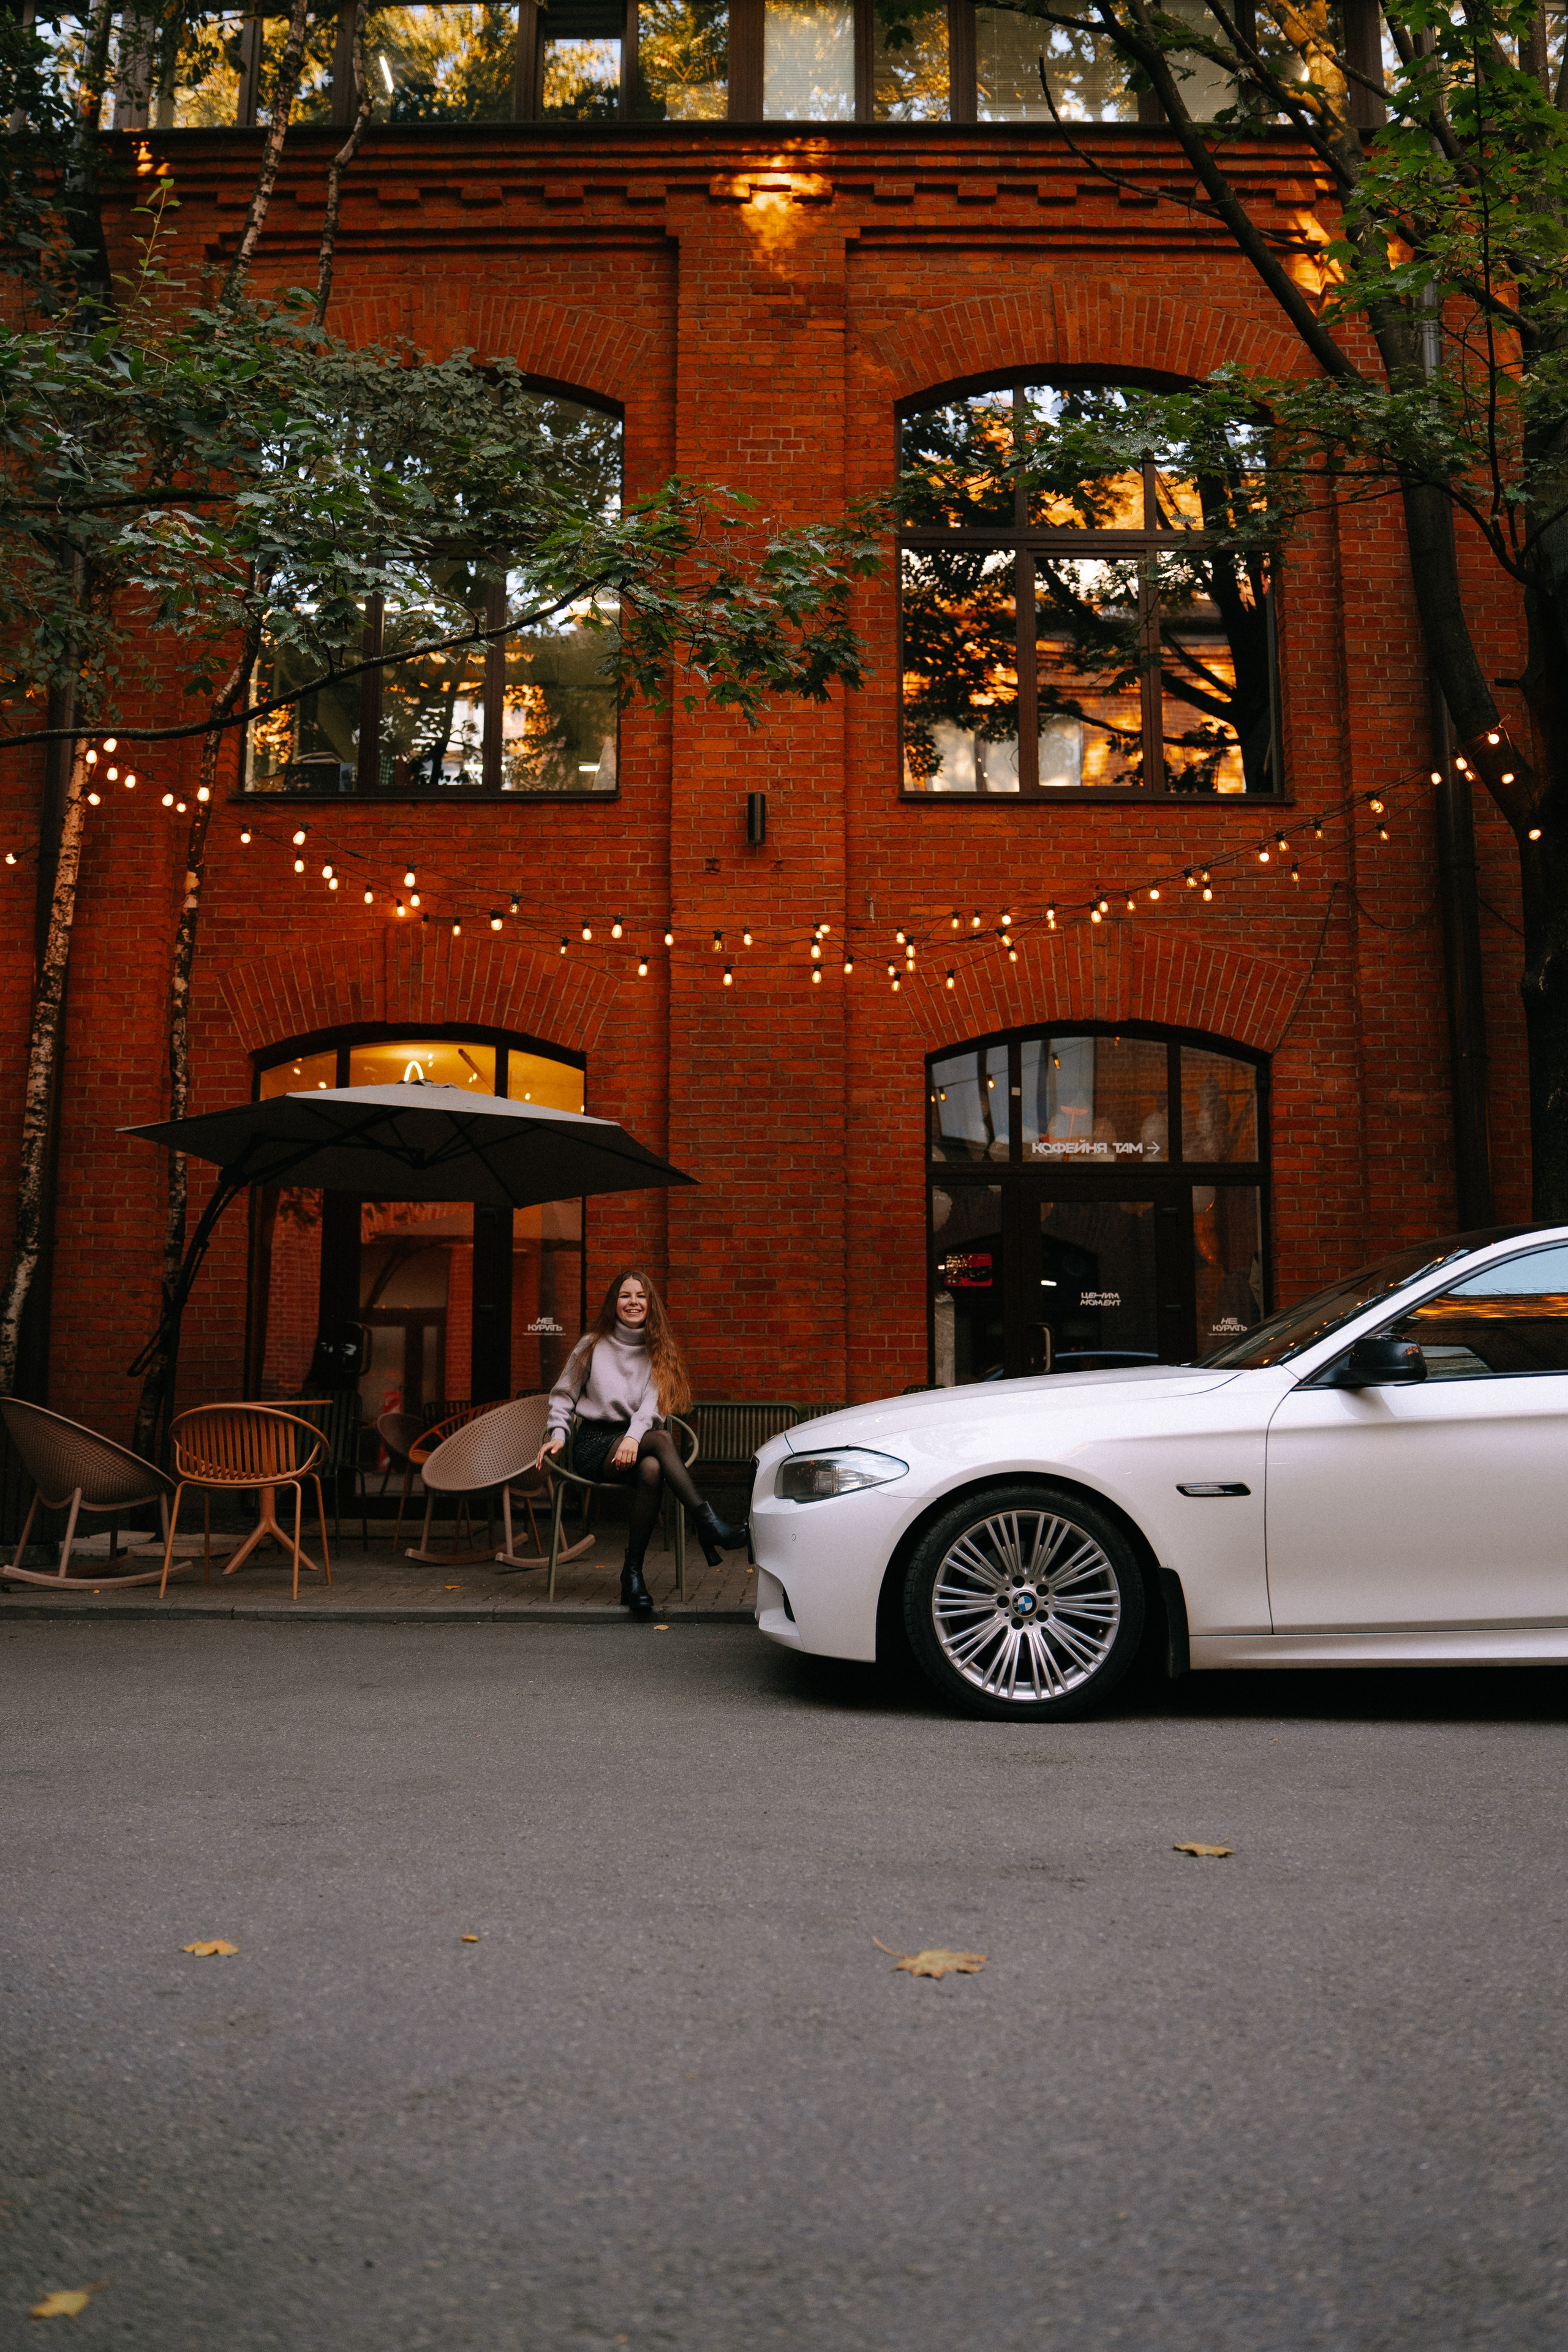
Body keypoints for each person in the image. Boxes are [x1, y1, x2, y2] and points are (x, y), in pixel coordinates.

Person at [536, 1269, 746, 1615]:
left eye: (640, 1296)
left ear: (650, 1304)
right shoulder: (591, 1345)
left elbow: (651, 1407)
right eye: (625, 1295)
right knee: (660, 1440)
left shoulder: (658, 1351)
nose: (633, 1302)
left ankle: (632, 1574)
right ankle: (708, 1525)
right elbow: (563, 1396)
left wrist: (632, 1439)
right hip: (594, 1444)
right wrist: (558, 1435)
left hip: (637, 1442)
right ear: (614, 1303)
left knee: (651, 1468)